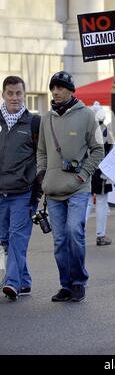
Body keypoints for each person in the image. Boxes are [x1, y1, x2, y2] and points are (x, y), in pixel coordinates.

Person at [37, 71, 104, 302]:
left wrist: (83, 174)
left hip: (78, 187)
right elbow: (42, 152)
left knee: (73, 232)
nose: (55, 92)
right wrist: (42, 175)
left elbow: (98, 149)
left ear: (70, 90)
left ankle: (78, 281)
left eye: (60, 87)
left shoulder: (87, 115)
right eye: (52, 87)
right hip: (53, 190)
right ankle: (65, 285)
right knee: (59, 241)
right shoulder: (47, 118)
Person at [0, 76, 41, 300]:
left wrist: (38, 191)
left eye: (18, 93)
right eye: (10, 93)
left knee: (17, 237)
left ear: (24, 94)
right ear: (3, 94)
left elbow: (41, 158)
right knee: (5, 238)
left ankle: (12, 283)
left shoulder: (34, 122)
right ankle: (24, 281)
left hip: (23, 193)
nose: (15, 97)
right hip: (0, 192)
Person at [85, 102, 114, 246]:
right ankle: (100, 235)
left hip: (87, 170)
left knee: (87, 203)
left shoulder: (85, 129)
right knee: (101, 203)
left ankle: (79, 233)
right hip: (102, 171)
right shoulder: (105, 132)